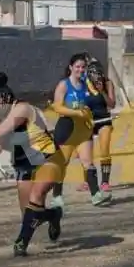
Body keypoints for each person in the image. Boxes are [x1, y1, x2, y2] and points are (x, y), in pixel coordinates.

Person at [0, 72, 64, 257]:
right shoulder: (0, 116)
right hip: (24, 166)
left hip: (49, 159)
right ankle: (53, 215)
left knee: (36, 195)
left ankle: (20, 244)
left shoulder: (21, 108)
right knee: (30, 216)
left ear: (5, 97)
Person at [50, 54, 112, 208]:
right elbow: (57, 107)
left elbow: (96, 98)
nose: (80, 69)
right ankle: (56, 196)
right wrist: (76, 112)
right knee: (62, 164)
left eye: (83, 67)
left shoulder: (86, 84)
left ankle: (96, 195)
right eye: (77, 66)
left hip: (83, 129)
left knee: (88, 162)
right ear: (71, 67)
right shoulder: (64, 85)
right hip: (66, 129)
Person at [83, 57, 117, 192]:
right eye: (93, 73)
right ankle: (88, 181)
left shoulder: (107, 83)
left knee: (104, 150)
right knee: (86, 153)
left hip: (103, 120)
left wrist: (102, 91)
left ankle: (105, 181)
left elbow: (112, 104)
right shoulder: (83, 84)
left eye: (98, 73)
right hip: (88, 121)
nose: (96, 76)